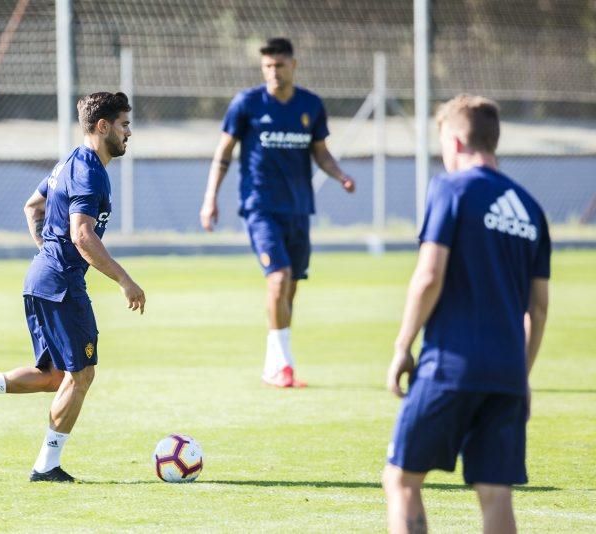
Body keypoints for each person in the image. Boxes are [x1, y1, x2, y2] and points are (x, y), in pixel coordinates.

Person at [0, 91, 146, 483]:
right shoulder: (88, 170)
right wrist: (125, 280)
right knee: (81, 376)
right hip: (61, 285)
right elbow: (83, 236)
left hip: (42, 278)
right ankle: (46, 466)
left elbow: (32, 207)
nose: (128, 133)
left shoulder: (68, 162)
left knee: (55, 375)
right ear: (102, 126)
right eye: (123, 125)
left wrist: (47, 254)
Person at [382, 94, 551, 533]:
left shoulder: (450, 189)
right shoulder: (531, 208)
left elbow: (429, 275)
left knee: (401, 480)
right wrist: (522, 373)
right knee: (495, 493)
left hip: (450, 366)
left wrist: (402, 345)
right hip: (508, 373)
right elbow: (539, 306)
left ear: (455, 141)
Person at [200, 37, 356, 388]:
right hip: (260, 207)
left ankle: (276, 361)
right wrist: (210, 198)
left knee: (291, 285)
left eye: (279, 65)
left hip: (299, 209)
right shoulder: (247, 104)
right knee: (279, 277)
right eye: (268, 66)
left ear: (293, 65)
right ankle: (281, 365)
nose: (273, 71)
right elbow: (223, 152)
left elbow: (321, 153)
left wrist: (340, 175)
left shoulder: (310, 105)